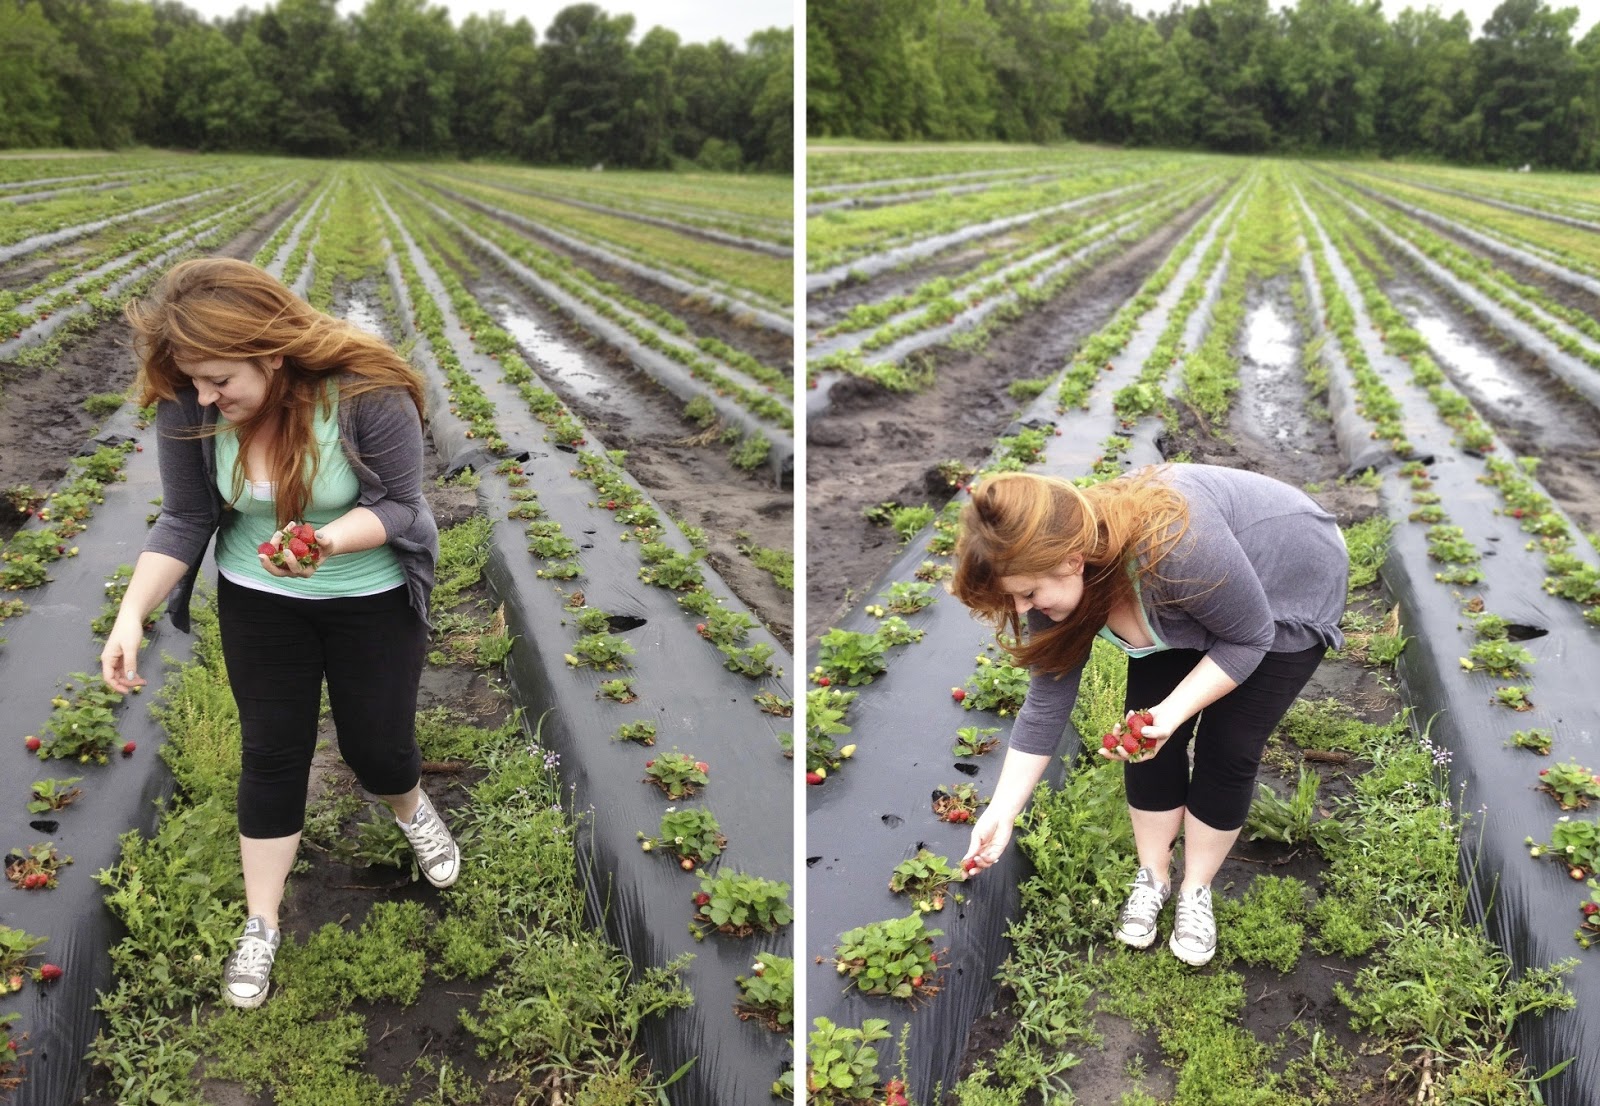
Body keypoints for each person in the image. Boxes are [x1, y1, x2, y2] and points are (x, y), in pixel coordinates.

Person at [99, 257, 458, 1008]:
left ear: (269, 351)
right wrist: (131, 615)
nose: (204, 396)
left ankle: (410, 808)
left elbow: (401, 505)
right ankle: (261, 922)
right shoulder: (190, 405)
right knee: (271, 751)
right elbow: (188, 516)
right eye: (192, 379)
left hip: (371, 593)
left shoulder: (365, 392)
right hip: (259, 598)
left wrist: (326, 541)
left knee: (378, 746)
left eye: (219, 378)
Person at [953, 464, 1347, 965]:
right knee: (1144, 735)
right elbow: (1046, 701)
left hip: (1288, 580)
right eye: (1014, 595)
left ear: (1073, 562)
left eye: (1029, 594)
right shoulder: (1050, 568)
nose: (1024, 607)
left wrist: (1175, 710)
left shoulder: (1178, 547)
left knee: (1228, 746)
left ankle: (1194, 889)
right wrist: (1003, 810)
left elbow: (1249, 636)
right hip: (1188, 591)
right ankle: (1154, 876)